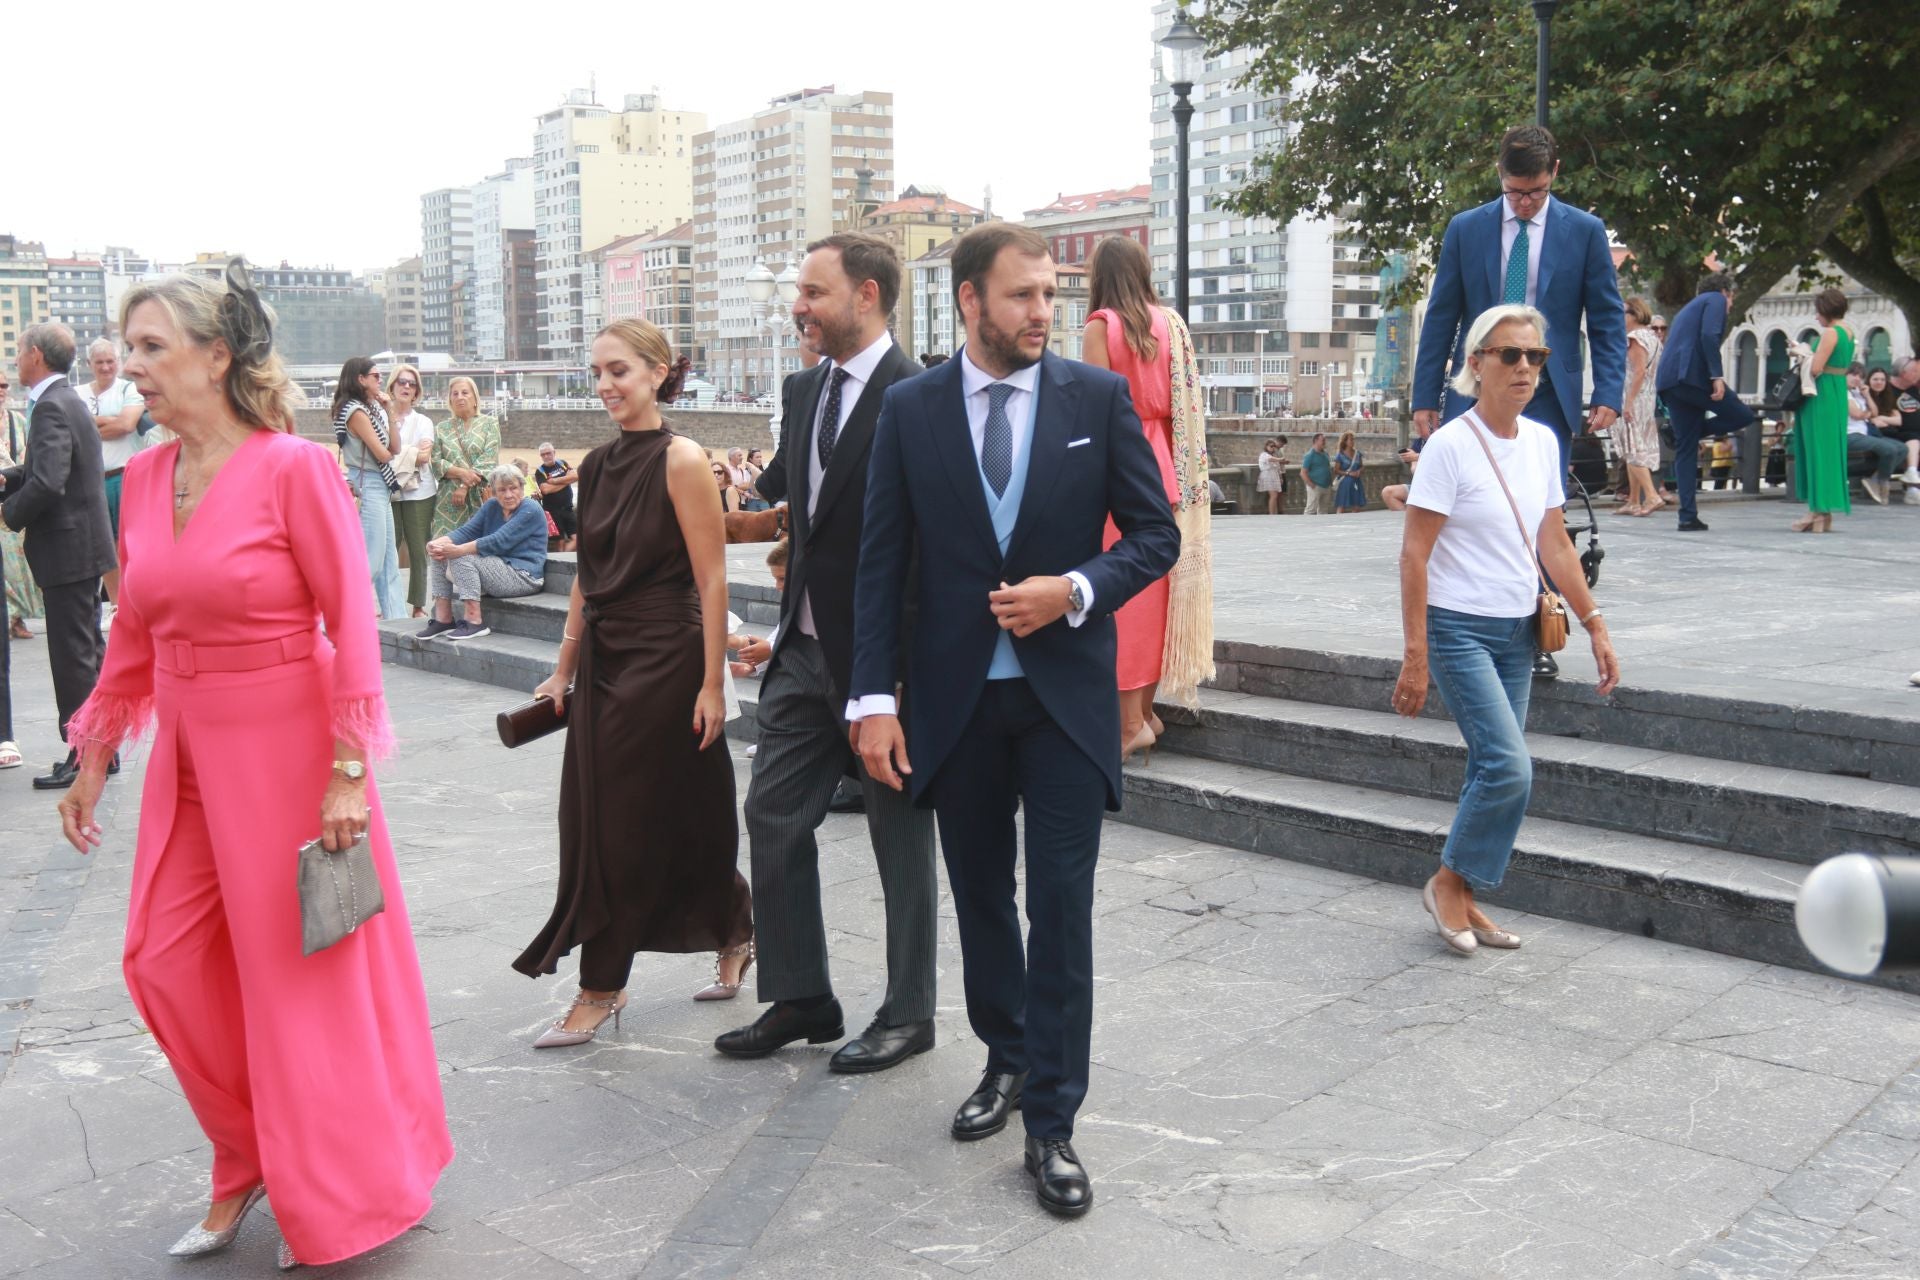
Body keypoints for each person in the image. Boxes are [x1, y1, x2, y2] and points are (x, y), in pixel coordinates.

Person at [53, 263, 450, 1271]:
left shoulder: (293, 467)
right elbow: (134, 631)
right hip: (187, 748)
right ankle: (252, 1148)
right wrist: (96, 752)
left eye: (152, 347)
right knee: (161, 959)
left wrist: (349, 769)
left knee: (298, 982)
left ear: (216, 355)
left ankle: (333, 1185)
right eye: (128, 348)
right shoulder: (146, 477)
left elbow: (351, 618)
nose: (133, 367)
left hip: (287, 740)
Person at [848, 222, 1180, 1217]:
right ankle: (1006, 1055)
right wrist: (873, 699)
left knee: (1061, 907)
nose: (1044, 312)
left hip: (1064, 701)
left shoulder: (1095, 398)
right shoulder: (911, 409)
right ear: (970, 301)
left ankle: (1052, 1122)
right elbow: (881, 563)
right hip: (955, 700)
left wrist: (1074, 589)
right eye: (1023, 295)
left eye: (1050, 294)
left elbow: (1155, 534)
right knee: (983, 896)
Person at [714, 232, 942, 1075]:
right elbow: (796, 499)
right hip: (801, 648)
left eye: (812, 292)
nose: (798, 306)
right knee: (772, 815)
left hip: (886, 665)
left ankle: (909, 1013)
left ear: (867, 295)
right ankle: (802, 995)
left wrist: (900, 678)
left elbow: (931, 551)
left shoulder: (922, 395)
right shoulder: (805, 388)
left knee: (898, 841)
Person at [514, 317, 753, 1044]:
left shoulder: (683, 459)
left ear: (657, 371)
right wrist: (563, 668)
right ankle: (736, 926)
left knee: (623, 825)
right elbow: (587, 576)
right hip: (606, 659)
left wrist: (710, 684)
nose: (605, 385)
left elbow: (713, 581)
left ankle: (602, 984)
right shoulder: (596, 464)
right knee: (648, 815)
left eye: (618, 370)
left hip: (668, 661)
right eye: (597, 373)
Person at [1394, 303, 1620, 958]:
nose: (1525, 367)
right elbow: (1414, 555)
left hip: (1519, 630)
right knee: (1508, 767)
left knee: (1489, 768)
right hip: (1457, 628)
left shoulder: (1544, 442)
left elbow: (1555, 542)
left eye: (1536, 356)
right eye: (1511, 355)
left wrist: (1595, 623)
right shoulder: (1449, 446)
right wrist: (1416, 654)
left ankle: (1462, 895)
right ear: (1477, 363)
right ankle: (1446, 884)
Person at [1411, 125, 1627, 475]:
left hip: (1549, 389)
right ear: (1500, 172)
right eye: (1514, 192)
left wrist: (1609, 391)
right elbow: (1441, 318)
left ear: (1555, 171)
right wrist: (1424, 397)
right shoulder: (1465, 229)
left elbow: (1607, 320)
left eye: (1537, 191)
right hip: (1476, 386)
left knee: (1542, 495)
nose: (1525, 202)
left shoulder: (1585, 231)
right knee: (1470, 488)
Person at [1081, 233, 1214, 763]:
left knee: (1124, 598)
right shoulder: (1171, 324)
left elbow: (1093, 408)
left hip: (1120, 461)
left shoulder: (1101, 326)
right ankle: (1147, 710)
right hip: (1167, 463)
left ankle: (1131, 723)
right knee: (1156, 593)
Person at [1, 323, 116, 790]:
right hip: (83, 545)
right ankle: (101, 750)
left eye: (19, 352)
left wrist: (8, 513)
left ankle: (83, 752)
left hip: (67, 549)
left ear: (35, 355)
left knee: (72, 659)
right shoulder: (68, 400)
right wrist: (12, 477)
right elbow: (50, 468)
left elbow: (49, 481)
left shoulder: (49, 405)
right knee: (87, 650)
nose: (16, 361)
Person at [1655, 272, 1758, 531]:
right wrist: (1716, 375)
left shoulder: (1689, 308)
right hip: (1693, 376)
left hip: (1670, 380)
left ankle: (1687, 516)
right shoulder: (1715, 299)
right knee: (1743, 415)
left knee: (1686, 448)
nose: (1730, 304)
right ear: (1725, 291)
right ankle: (1681, 433)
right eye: (1731, 298)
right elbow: (1709, 336)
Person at [416, 464, 546, 642]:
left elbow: (498, 540)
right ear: (494, 491)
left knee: (460, 556)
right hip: (496, 569)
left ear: (522, 488)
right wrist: (437, 544)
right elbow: (467, 531)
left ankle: (474, 621)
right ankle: (443, 619)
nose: (508, 495)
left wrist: (458, 550)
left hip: (525, 576)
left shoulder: (531, 508)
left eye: (513, 488)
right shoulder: (492, 505)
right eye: (502, 490)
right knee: (440, 553)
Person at [329, 357, 406, 620]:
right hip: (368, 483)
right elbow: (385, 454)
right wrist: (393, 450)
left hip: (378, 484)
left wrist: (389, 410)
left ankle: (396, 620)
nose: (380, 379)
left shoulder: (368, 409)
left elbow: (394, 447)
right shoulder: (356, 412)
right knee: (372, 560)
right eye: (375, 375)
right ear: (360, 379)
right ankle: (343, 616)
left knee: (388, 560)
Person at [1778, 288, 1855, 529]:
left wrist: (1800, 350)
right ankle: (1823, 512)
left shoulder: (1831, 333)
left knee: (1817, 451)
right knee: (1829, 451)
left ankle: (1817, 511)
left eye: (1818, 312)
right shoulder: (1848, 331)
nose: (1816, 316)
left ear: (1826, 310)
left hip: (1820, 395)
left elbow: (1815, 368)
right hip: (1836, 392)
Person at [80, 337, 147, 610]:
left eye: (110, 361)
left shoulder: (129, 389)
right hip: (93, 480)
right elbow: (72, 428)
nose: (106, 367)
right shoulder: (78, 393)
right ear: (89, 364)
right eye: (100, 362)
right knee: (104, 545)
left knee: (128, 543)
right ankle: (117, 604)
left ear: (118, 362)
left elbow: (127, 424)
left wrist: (87, 428)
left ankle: (134, 601)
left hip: (125, 475)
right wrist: (111, 421)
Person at [386, 365, 437, 617]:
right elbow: (374, 452)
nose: (406, 387)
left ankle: (418, 605)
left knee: (419, 549)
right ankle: (389, 603)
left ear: (417, 391)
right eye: (402, 381)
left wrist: (392, 454)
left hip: (420, 492)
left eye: (412, 383)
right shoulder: (381, 418)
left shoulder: (423, 421)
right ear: (392, 385)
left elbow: (425, 457)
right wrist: (410, 452)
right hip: (389, 490)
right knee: (388, 549)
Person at [430, 377, 497, 538]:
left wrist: (464, 486)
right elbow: (436, 462)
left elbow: (489, 458)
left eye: (465, 392)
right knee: (445, 545)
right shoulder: (441, 428)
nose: (460, 397)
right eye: (455, 394)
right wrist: (462, 473)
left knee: (479, 544)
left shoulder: (490, 423)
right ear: (450, 400)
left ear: (475, 398)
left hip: (480, 495)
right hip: (449, 500)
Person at [1617, 296, 1666, 516]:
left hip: (1634, 397)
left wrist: (1628, 402)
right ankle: (1634, 500)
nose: (1620, 317)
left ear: (1635, 314)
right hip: (1648, 396)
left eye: (1623, 313)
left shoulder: (1635, 338)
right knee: (1636, 446)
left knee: (1633, 448)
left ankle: (1651, 495)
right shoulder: (1652, 337)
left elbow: (1639, 372)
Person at [1, 373, 41, 638]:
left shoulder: (18, 421)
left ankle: (16, 617)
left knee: (17, 565)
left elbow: (29, 459)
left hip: (12, 497)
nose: (1, 390)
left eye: (4, 385)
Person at [1867, 366, 1920, 503]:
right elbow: (1868, 417)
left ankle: (1912, 484)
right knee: (1909, 442)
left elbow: (1898, 420)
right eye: (1875, 379)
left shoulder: (1888, 396)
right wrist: (1875, 419)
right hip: (1874, 433)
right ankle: (1910, 485)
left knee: (1913, 440)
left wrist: (1882, 418)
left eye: (1882, 380)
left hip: (1890, 431)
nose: (1879, 382)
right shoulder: (1865, 395)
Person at [535, 441, 579, 550]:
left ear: (554, 452)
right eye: (543, 454)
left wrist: (555, 481)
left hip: (568, 508)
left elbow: (576, 476)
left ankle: (564, 556)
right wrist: (567, 480)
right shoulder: (540, 471)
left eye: (548, 453)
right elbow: (545, 490)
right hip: (552, 511)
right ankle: (561, 558)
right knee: (560, 542)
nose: (546, 456)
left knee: (577, 539)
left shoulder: (562, 463)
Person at [1332, 430, 1366, 512]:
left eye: (1353, 439)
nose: (1352, 441)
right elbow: (1336, 470)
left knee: (1356, 507)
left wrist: (1359, 471)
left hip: (1356, 483)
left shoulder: (1357, 454)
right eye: (1351, 439)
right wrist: (1348, 473)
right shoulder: (1340, 455)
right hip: (1344, 484)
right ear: (1345, 441)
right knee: (1341, 506)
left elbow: (1362, 466)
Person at [1301, 432, 1333, 514]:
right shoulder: (1309, 455)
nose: (1325, 442)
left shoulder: (1325, 454)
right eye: (1323, 440)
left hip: (1327, 486)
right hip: (1316, 486)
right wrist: (1311, 485)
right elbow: (1303, 473)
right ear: (1316, 441)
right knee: (1311, 510)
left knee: (1324, 510)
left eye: (1325, 440)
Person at [1257, 436, 1287, 514]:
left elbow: (1278, 468)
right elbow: (1270, 459)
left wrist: (1280, 477)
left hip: (1274, 477)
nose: (1273, 448)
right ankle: (1272, 514)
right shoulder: (1264, 455)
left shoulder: (1273, 455)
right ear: (1266, 446)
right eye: (1271, 446)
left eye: (1274, 446)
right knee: (1273, 496)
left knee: (1275, 496)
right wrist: (1280, 459)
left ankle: (1273, 513)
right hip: (1268, 477)